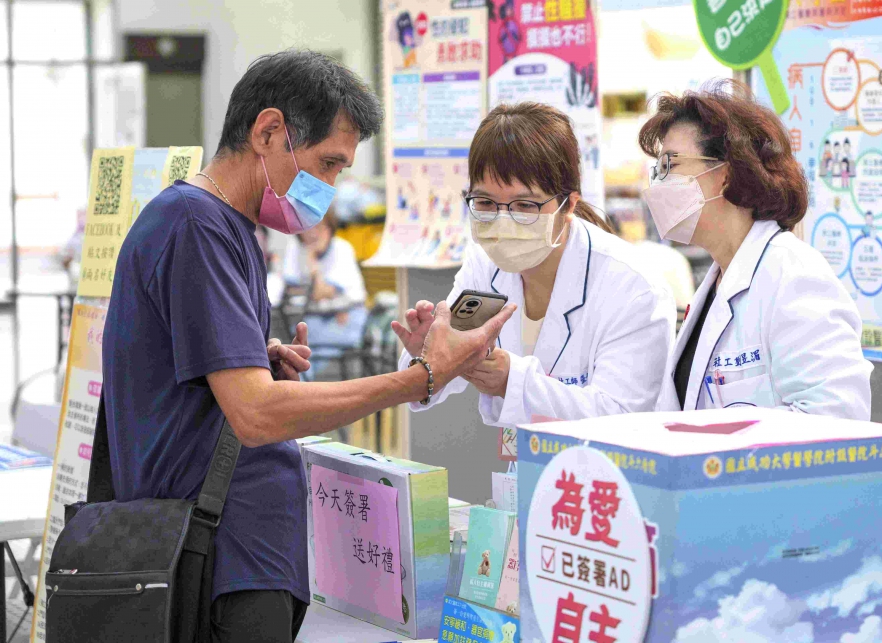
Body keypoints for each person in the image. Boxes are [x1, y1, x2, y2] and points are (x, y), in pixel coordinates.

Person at [101, 50, 512, 643]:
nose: (331, 188)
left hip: (234, 547)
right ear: (268, 132)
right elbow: (256, 414)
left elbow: (202, 380)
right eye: (328, 164)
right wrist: (421, 377)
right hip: (216, 556)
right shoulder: (197, 226)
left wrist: (251, 357)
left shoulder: (224, 226)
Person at [394, 102, 676, 428]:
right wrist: (427, 358)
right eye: (485, 202)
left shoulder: (633, 287)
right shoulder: (484, 264)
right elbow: (435, 378)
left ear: (568, 205)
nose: (502, 221)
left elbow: (625, 418)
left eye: (524, 205)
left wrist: (514, 382)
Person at [640, 81, 872, 419]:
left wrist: (729, 438)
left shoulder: (793, 275)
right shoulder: (718, 281)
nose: (658, 185)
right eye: (657, 171)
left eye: (669, 166)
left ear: (725, 175)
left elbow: (837, 415)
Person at [282, 209, 368, 378]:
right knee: (297, 336)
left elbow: (319, 293)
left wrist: (313, 264)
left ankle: (306, 385)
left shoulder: (341, 248)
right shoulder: (295, 249)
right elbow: (292, 290)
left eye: (319, 227)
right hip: (313, 317)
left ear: (330, 228)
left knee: (304, 345)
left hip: (345, 317)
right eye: (307, 227)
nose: (313, 233)